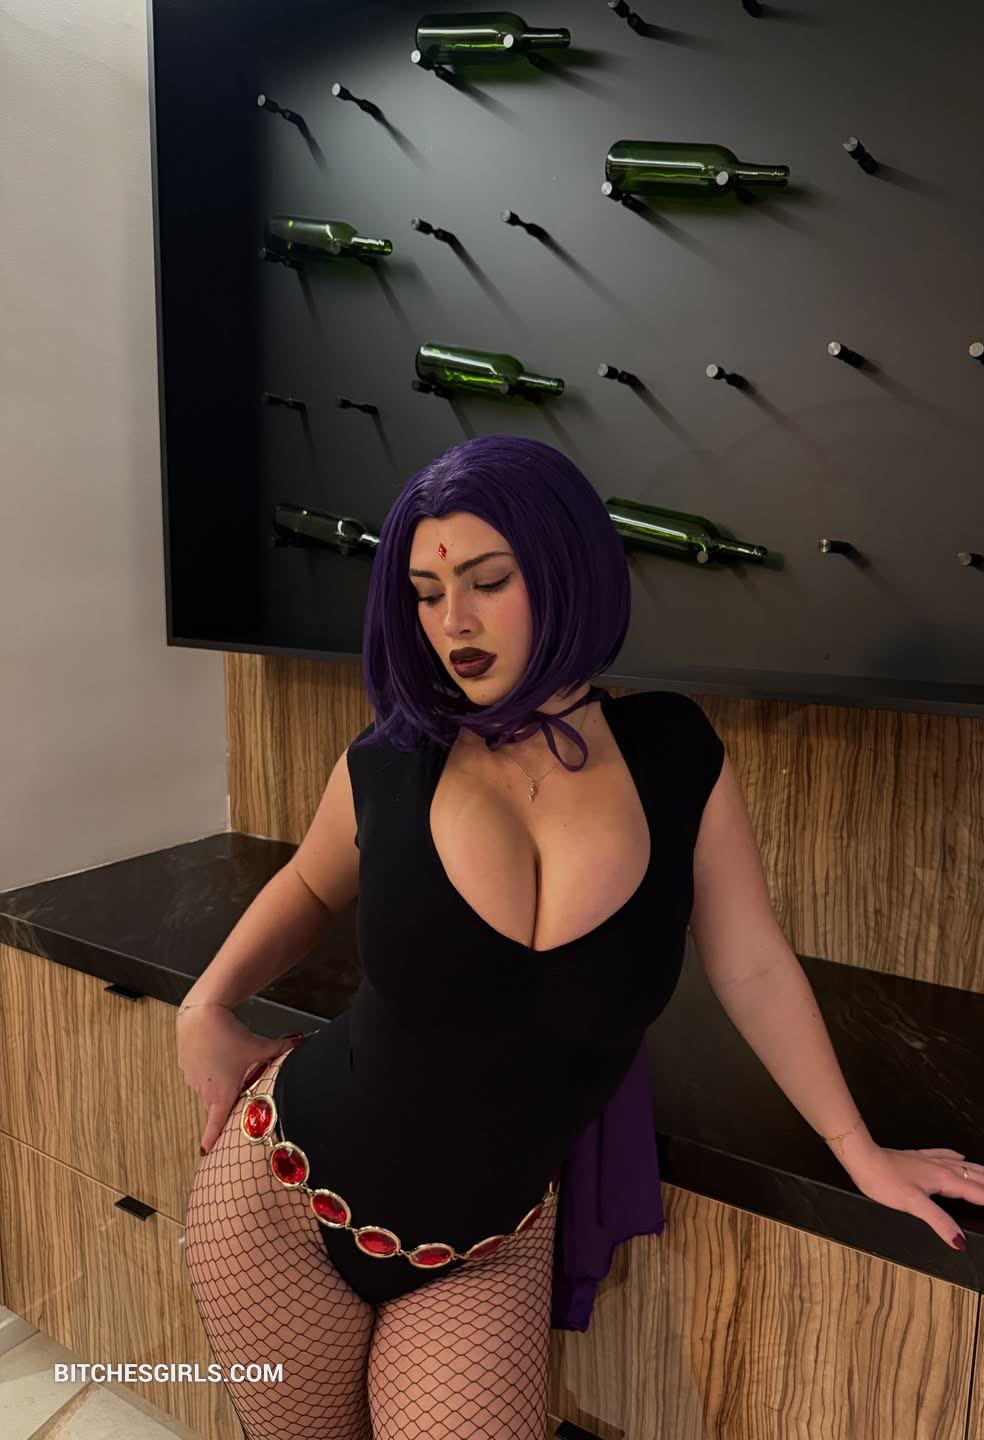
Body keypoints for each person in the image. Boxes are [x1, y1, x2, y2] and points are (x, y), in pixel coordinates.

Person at [177, 434, 728, 1439]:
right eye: (426, 593)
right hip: (284, 1200)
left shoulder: (674, 751)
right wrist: (204, 1002)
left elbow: (755, 961)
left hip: (486, 1247)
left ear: (565, 567)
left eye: (487, 581)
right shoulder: (393, 759)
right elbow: (309, 881)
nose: (452, 623)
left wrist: (859, 1151)